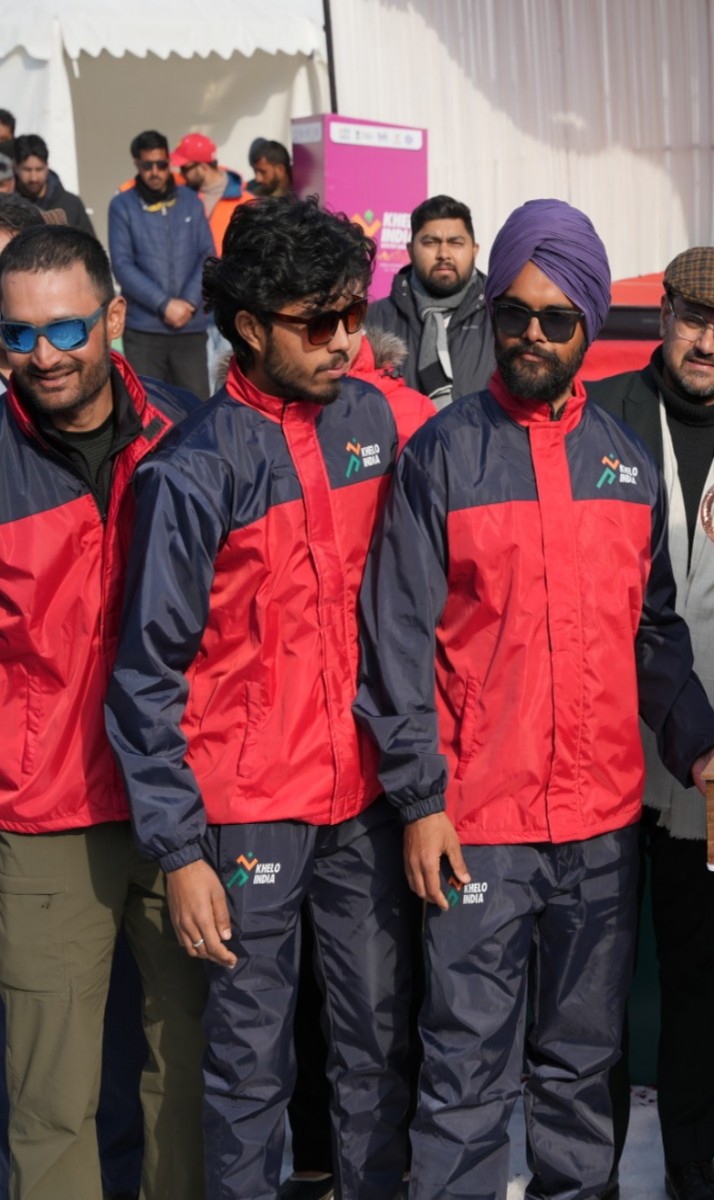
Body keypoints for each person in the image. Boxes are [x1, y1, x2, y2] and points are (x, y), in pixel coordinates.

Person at [355, 198, 714, 1199]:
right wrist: (420, 800)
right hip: (478, 825)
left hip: (600, 830)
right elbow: (394, 642)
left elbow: (654, 634)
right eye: (513, 312)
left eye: (556, 319)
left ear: (588, 326)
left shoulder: (625, 464)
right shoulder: (440, 454)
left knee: (580, 1067)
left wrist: (703, 750)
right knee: (464, 1072)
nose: (530, 335)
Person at [105, 196, 433, 1200]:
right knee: (248, 1066)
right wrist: (179, 852)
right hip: (247, 811)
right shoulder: (192, 471)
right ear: (247, 326)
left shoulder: (375, 418)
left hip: (365, 797)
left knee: (377, 1042)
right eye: (318, 322)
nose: (345, 340)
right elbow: (144, 676)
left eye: (354, 314)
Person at [0, 224, 206, 1199]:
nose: (42, 355)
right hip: (44, 815)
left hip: (184, 807)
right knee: (51, 1098)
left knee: (186, 1071)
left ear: (114, 316)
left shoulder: (187, 433)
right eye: (17, 335)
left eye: (65, 328)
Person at [587, 246, 714, 1200]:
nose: (707, 341)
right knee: (598, 976)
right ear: (662, 317)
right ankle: (592, 1161)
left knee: (701, 968)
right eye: (694, 319)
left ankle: (694, 1156)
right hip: (605, 743)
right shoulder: (601, 416)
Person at [107, 130, 215, 399]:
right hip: (144, 330)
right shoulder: (122, 206)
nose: (155, 172)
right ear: (137, 164)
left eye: (161, 164)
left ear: (169, 162)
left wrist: (188, 302)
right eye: (147, 165)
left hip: (189, 326)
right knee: (149, 409)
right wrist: (164, 304)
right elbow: (122, 265)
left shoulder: (190, 201)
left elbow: (208, 256)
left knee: (197, 408)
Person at [367, 194, 493, 406]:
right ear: (410, 250)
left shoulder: (501, 317)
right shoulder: (373, 321)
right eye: (431, 242)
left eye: (456, 243)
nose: (444, 253)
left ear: (474, 250)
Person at [171, 132, 251, 256]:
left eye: (184, 168)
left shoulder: (246, 202)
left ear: (203, 167)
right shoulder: (180, 196)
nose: (181, 173)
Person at [12, 134, 95, 236]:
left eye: (39, 169)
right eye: (27, 170)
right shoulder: (8, 207)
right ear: (15, 167)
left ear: (47, 166)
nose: (34, 178)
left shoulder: (72, 204)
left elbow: (89, 244)